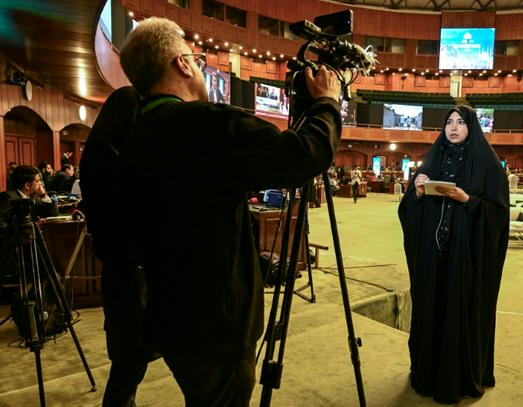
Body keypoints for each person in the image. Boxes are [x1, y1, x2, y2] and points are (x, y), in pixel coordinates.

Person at [118, 17, 341, 406]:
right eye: (196, 58)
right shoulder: (208, 124)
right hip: (217, 329)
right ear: (182, 64)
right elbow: (305, 155)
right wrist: (327, 102)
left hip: (170, 320)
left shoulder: (134, 136)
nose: (198, 66)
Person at [398, 105, 509, 404]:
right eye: (449, 122)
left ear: (471, 127)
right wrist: (417, 191)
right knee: (432, 307)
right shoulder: (433, 158)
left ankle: (456, 379)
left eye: (461, 122)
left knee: (459, 311)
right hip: (433, 257)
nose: (454, 127)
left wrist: (468, 200)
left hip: (466, 258)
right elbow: (408, 209)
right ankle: (427, 373)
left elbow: (498, 215)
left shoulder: (488, 164)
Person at [79, 86, 160, 407]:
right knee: (129, 365)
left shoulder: (98, 154)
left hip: (120, 270)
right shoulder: (115, 161)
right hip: (129, 272)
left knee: (129, 363)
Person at [0, 166, 59, 301]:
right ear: (27, 185)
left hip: (31, 242)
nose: (41, 184)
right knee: (48, 270)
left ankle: (45, 298)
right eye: (38, 181)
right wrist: (31, 226)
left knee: (49, 267)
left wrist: (43, 195)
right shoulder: (7, 198)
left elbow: (53, 214)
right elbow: (2, 227)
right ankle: (41, 299)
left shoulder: (33, 197)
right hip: (14, 248)